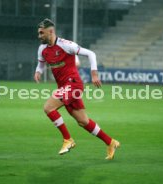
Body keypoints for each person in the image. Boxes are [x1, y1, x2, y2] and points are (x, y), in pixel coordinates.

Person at [34, 18, 120, 160]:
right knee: (83, 121)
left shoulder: (66, 45)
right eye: (38, 33)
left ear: (51, 31)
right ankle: (111, 142)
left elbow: (91, 54)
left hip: (73, 84)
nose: (39, 36)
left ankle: (68, 139)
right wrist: (38, 72)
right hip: (64, 87)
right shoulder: (42, 49)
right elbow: (41, 64)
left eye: (41, 33)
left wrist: (94, 74)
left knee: (48, 107)